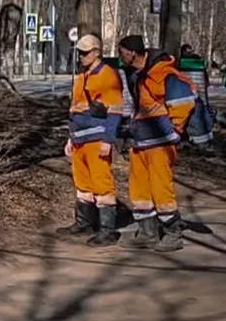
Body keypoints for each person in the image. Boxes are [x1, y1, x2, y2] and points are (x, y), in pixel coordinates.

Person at [117, 35, 196, 252]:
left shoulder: (162, 72)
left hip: (161, 140)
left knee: (161, 187)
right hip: (141, 139)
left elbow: (184, 103)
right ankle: (147, 231)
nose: (120, 56)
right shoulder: (136, 75)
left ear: (133, 53)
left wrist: (175, 131)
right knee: (139, 187)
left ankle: (172, 232)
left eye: (122, 52)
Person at [57, 34, 124, 246]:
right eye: (80, 52)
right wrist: (71, 138)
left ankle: (107, 231)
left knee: (102, 184)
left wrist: (108, 140)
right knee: (83, 184)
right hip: (79, 139)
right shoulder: (82, 77)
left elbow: (115, 110)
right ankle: (84, 222)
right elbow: (75, 109)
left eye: (85, 52)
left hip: (96, 138)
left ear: (97, 52)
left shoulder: (107, 75)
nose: (81, 56)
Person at [178, 44, 215, 146]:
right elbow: (206, 83)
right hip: (202, 99)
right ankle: (206, 140)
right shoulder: (198, 63)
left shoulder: (182, 65)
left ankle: (198, 141)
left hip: (190, 99)